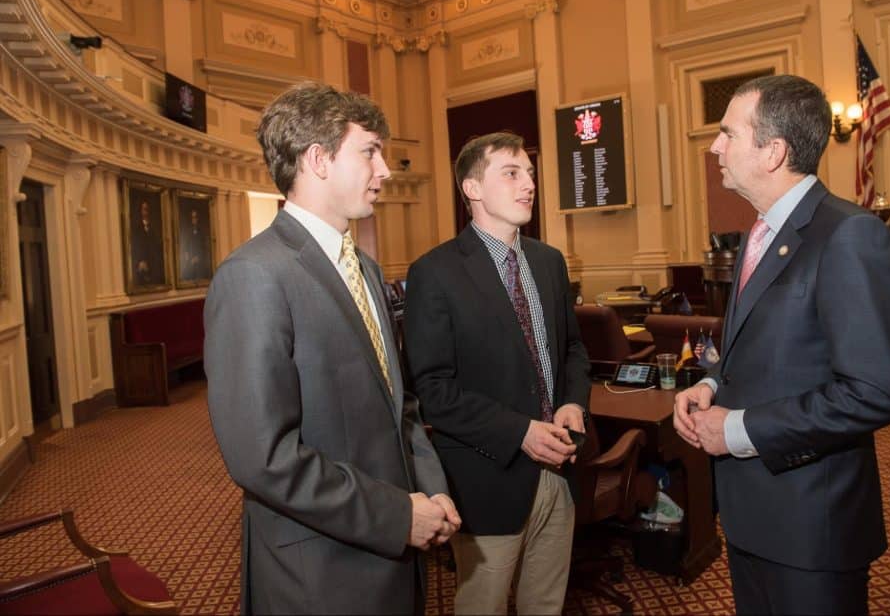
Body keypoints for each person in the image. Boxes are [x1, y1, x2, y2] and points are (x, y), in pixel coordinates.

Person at [205, 82, 460, 614]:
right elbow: (263, 458)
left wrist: (432, 491)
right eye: (370, 151)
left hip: (394, 550)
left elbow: (400, 405)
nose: (385, 169)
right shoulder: (254, 275)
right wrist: (395, 516)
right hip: (321, 575)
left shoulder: (363, 266)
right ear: (318, 159)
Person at [672, 74, 890, 615]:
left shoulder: (849, 235)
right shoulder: (763, 231)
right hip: (753, 513)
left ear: (773, 151)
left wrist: (735, 429)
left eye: (728, 134)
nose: (714, 147)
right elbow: (771, 345)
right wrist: (712, 383)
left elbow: (874, 392)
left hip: (811, 525)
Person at [404, 132, 590, 615]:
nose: (529, 184)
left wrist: (573, 402)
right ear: (472, 188)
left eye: (529, 173)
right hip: (489, 475)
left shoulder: (549, 263)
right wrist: (521, 432)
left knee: (544, 605)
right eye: (512, 172)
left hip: (560, 472)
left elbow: (572, 350)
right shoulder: (435, 272)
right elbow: (434, 391)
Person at [132, 198, 165, 286]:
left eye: (147, 210)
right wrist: (140, 262)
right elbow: (135, 248)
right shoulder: (136, 229)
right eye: (144, 210)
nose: (146, 212)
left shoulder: (153, 229)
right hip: (141, 267)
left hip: (153, 267)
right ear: (141, 211)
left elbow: (156, 249)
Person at [179, 207, 212, 281]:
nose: (194, 219)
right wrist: (189, 258)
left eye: (196, 217)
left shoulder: (202, 232)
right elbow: (185, 247)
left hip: (200, 263)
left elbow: (204, 247)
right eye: (193, 217)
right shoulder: (187, 232)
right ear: (191, 219)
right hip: (190, 262)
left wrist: (198, 257)